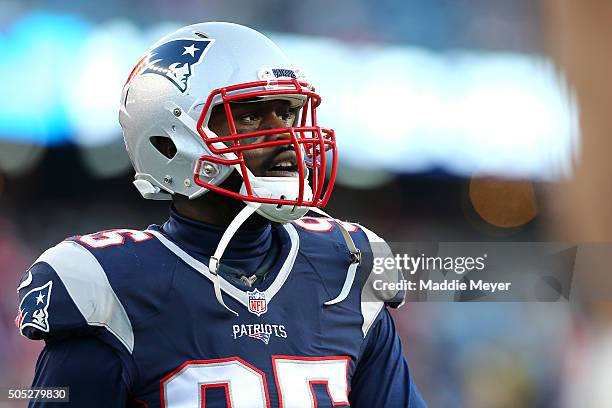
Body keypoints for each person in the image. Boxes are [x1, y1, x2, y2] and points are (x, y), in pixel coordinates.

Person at [16, 22, 426, 407]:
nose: (284, 137)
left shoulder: (348, 264)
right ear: (169, 140)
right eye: (248, 116)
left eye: (286, 113)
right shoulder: (111, 284)